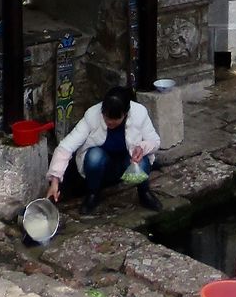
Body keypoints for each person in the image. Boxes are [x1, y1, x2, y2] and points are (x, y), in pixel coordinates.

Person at [45, 86, 161, 215]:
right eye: (106, 117)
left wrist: (141, 147)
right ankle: (93, 193)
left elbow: (154, 141)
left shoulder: (139, 113)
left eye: (115, 119)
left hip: (127, 164)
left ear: (126, 114)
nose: (110, 122)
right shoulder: (92, 116)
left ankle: (144, 192)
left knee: (142, 162)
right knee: (94, 156)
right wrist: (54, 181)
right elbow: (66, 146)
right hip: (102, 167)